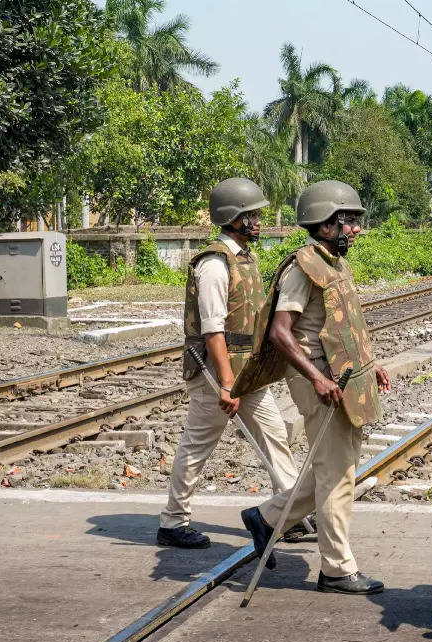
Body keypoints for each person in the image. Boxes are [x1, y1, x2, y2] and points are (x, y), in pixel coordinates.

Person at [232, 180, 391, 595]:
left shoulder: (334, 263)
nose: (355, 229)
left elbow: (344, 324)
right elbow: (280, 333)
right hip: (318, 380)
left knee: (333, 466)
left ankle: (267, 518)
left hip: (343, 378)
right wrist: (318, 378)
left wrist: (372, 365)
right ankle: (337, 569)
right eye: (348, 221)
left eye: (356, 221)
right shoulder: (302, 268)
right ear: (323, 225)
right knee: (337, 473)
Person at [159, 177, 309, 549]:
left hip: (248, 372)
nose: (257, 221)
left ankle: (286, 515)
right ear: (232, 218)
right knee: (199, 445)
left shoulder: (245, 258)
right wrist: (226, 383)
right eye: (250, 215)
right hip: (217, 373)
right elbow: (213, 331)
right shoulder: (214, 264)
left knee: (275, 437)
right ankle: (173, 522)